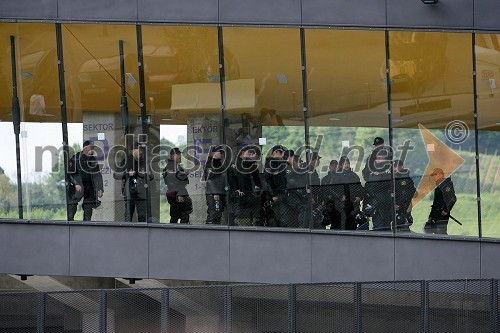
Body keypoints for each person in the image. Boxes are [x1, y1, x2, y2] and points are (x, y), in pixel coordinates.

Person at [113, 142, 153, 222]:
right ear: (133, 151)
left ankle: (142, 233)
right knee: (128, 215)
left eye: (141, 150)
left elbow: (151, 176)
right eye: (139, 150)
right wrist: (127, 174)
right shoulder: (126, 161)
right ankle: (126, 233)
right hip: (129, 192)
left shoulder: (144, 162)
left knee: (142, 216)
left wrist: (143, 174)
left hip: (141, 192)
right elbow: (116, 175)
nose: (141, 152)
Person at [67, 140, 104, 221]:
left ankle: (87, 226)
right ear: (85, 148)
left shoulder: (93, 160)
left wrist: (100, 188)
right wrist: (76, 183)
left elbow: (97, 175)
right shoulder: (75, 158)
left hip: (89, 188)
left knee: (88, 209)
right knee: (72, 206)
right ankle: (70, 224)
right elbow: (69, 173)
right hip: (78, 187)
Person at [227, 145, 262, 225]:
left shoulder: (252, 165)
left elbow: (256, 178)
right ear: (242, 153)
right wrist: (237, 189)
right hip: (240, 195)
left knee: (254, 216)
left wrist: (258, 187)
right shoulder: (234, 165)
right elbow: (231, 178)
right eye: (249, 152)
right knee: (241, 216)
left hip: (252, 194)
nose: (251, 154)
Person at [331, 156, 364, 230]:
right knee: (343, 224)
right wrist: (339, 197)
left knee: (354, 224)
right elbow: (331, 190)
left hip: (353, 205)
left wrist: (360, 197)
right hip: (341, 206)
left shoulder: (354, 176)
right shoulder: (336, 176)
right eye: (345, 164)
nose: (347, 165)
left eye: (348, 163)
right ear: (341, 165)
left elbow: (361, 188)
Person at [364, 149, 392, 231]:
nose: (378, 160)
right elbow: (368, 187)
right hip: (374, 204)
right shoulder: (372, 171)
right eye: (377, 158)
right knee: (377, 227)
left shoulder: (388, 171)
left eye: (381, 158)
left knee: (385, 226)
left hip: (385, 203)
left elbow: (387, 186)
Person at [163, 148, 192, 224]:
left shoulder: (175, 167)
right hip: (177, 194)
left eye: (180, 155)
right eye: (178, 155)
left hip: (176, 194)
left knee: (176, 216)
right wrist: (179, 194)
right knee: (181, 216)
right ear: (172, 156)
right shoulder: (171, 167)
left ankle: (174, 234)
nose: (180, 156)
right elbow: (172, 182)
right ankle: (180, 233)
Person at [424, 168, 457, 235]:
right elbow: (435, 202)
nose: (434, 177)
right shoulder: (438, 186)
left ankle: (445, 245)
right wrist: (431, 215)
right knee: (431, 229)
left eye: (435, 175)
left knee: (440, 232)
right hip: (436, 213)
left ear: (440, 175)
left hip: (442, 213)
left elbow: (453, 199)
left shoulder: (446, 185)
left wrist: (446, 210)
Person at [263, 145, 288, 227]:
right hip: (273, 197)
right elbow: (266, 182)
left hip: (281, 195)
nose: (282, 154)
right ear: (275, 153)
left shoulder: (281, 164)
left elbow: (283, 181)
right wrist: (273, 195)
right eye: (280, 152)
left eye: (282, 152)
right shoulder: (270, 165)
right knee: (274, 218)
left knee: (283, 218)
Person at [202, 145, 227, 224]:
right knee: (214, 213)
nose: (221, 154)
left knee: (218, 212)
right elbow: (210, 180)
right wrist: (215, 192)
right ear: (214, 153)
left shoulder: (218, 164)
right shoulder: (211, 165)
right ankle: (209, 232)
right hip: (214, 194)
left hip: (219, 193)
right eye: (220, 152)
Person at [393, 159, 417, 232]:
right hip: (397, 206)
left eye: (396, 166)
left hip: (402, 206)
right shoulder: (394, 177)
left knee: (402, 225)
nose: (394, 168)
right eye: (393, 166)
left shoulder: (404, 179)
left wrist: (397, 204)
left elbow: (406, 193)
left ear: (402, 167)